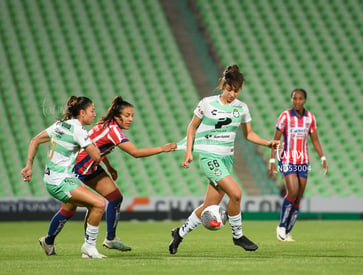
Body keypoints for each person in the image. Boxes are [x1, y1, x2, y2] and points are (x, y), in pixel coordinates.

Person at [42, 96, 177, 252]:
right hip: (78, 167)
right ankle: (55, 241)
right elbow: (135, 152)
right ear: (117, 116)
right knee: (70, 209)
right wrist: (162, 148)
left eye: (132, 115)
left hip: (92, 166)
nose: (130, 119)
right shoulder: (113, 129)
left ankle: (110, 239)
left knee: (115, 198)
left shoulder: (106, 124)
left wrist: (109, 166)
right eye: (127, 115)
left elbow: (97, 146)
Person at [168, 65, 279, 254]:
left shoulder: (241, 108)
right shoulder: (207, 103)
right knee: (236, 193)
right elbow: (192, 128)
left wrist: (267, 143)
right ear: (223, 85)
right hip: (210, 157)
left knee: (209, 206)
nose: (233, 94)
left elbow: (249, 134)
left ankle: (179, 233)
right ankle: (238, 236)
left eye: (237, 90)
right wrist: (189, 152)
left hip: (227, 158)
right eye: (230, 90)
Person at [21, 96, 107, 258]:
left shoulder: (60, 125)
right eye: (92, 110)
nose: (94, 114)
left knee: (69, 208)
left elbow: (35, 140)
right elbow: (96, 157)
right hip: (60, 181)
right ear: (82, 113)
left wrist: (28, 166)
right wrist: (93, 138)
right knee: (99, 204)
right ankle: (88, 247)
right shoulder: (78, 130)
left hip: (57, 178)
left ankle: (49, 241)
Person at [268, 88, 328, 242]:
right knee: (292, 191)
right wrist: (272, 160)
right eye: (294, 98)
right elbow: (276, 140)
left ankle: (287, 232)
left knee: (299, 197)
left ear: (304, 100)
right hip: (287, 158)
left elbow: (314, 139)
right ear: (291, 100)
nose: (297, 101)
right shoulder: (285, 116)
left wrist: (322, 157)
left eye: (300, 99)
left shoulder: (310, 118)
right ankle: (281, 226)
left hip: (303, 160)